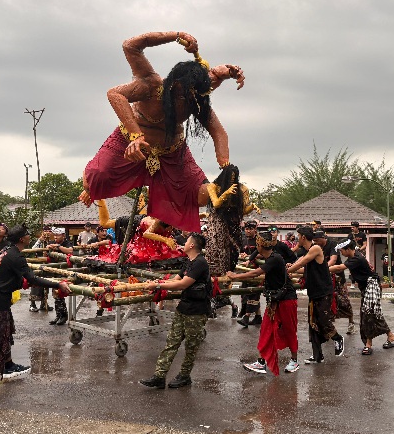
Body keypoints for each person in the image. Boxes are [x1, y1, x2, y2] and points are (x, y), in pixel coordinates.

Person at [80, 31, 245, 233]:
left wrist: (225, 166)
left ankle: (222, 193)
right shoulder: (150, 84)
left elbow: (219, 132)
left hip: (171, 153)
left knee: (200, 195)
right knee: (95, 177)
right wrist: (176, 35)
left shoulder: (196, 99)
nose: (183, 99)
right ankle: (90, 188)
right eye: (181, 93)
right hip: (128, 142)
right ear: (174, 83)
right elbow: (124, 62)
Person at [0, 225, 72, 388]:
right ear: (22, 238)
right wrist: (58, 284)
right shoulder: (15, 256)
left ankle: (8, 366)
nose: (30, 236)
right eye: (28, 235)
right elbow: (33, 279)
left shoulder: (7, 251)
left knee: (5, 332)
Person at [139, 233, 211, 389]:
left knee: (191, 346)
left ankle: (185, 376)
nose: (183, 243)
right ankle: (159, 376)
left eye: (186, 241)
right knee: (171, 342)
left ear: (192, 245)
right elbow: (175, 280)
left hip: (197, 311)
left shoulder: (200, 263)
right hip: (184, 307)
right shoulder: (188, 262)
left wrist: (158, 286)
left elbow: (183, 284)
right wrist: (158, 282)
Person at [228, 231, 299, 375]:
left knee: (289, 329)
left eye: (257, 244)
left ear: (260, 245)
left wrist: (235, 276)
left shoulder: (275, 259)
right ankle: (261, 362)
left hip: (287, 300)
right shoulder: (270, 256)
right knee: (266, 329)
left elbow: (255, 273)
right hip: (274, 300)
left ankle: (294, 360)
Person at [202, 164, 258, 319]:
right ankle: (216, 283)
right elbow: (216, 204)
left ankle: (226, 281)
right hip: (217, 221)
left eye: (235, 177)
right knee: (216, 251)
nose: (233, 179)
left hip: (233, 223)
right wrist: (226, 193)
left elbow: (244, 210)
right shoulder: (214, 186)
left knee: (233, 250)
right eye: (230, 177)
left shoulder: (243, 189)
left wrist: (252, 206)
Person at [286, 226, 344, 364]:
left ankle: (338, 338)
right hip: (314, 292)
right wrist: (290, 268)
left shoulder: (315, 248)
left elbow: (303, 261)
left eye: (298, 236)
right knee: (313, 324)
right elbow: (302, 268)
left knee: (324, 321)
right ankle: (318, 356)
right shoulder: (308, 251)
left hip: (323, 292)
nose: (297, 238)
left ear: (303, 237)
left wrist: (287, 270)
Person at [331, 240, 394, 356]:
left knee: (368, 314)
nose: (341, 253)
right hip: (367, 287)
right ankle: (390, 335)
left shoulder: (357, 258)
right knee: (372, 313)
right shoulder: (354, 256)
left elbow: (340, 268)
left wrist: (321, 268)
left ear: (347, 249)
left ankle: (368, 344)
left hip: (372, 285)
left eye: (341, 251)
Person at [316, 231, 355, 335]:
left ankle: (351, 322)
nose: (316, 242)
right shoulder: (317, 247)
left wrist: (322, 269)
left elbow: (333, 260)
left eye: (317, 240)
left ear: (323, 238)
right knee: (327, 303)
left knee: (344, 301)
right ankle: (329, 327)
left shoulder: (332, 244)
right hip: (325, 279)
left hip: (337, 278)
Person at [45, 227, 74, 325]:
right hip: (54, 270)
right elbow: (45, 253)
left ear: (63, 236)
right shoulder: (51, 242)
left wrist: (58, 247)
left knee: (59, 293)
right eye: (55, 235)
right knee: (55, 294)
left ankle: (63, 315)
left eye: (58, 235)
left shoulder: (67, 243)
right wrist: (48, 248)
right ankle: (59, 315)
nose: (56, 237)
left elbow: (70, 251)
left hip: (63, 271)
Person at [238, 220, 263, 326]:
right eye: (246, 229)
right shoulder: (243, 240)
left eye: (250, 229)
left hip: (258, 271)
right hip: (246, 271)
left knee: (253, 293)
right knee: (246, 293)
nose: (248, 231)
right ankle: (258, 317)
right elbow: (239, 252)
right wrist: (242, 254)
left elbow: (265, 253)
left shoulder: (260, 240)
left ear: (255, 229)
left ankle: (246, 317)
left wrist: (252, 257)